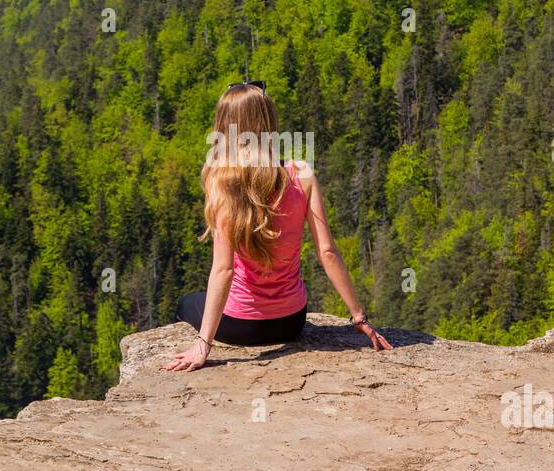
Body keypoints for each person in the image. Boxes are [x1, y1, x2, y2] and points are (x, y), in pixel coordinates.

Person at [163, 81, 392, 372]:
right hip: (290, 322)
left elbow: (224, 270)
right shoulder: (302, 174)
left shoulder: (222, 183)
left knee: (186, 304)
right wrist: (359, 318)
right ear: (268, 122)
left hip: (239, 326)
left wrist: (202, 345)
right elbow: (327, 252)